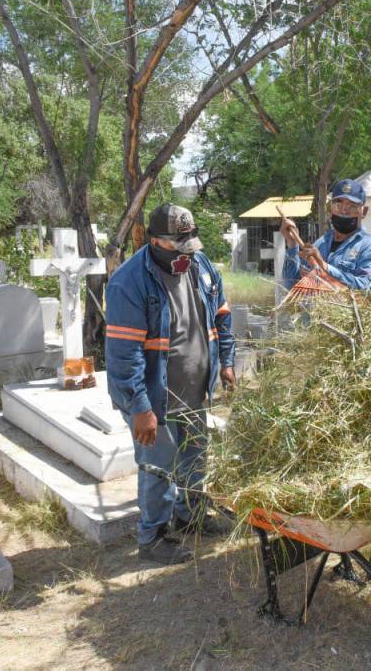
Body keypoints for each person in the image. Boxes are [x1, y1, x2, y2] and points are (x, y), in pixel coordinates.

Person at [106, 203, 236, 565]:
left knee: (196, 457)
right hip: (153, 397)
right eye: (178, 249)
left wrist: (226, 361)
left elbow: (221, 316)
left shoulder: (200, 266)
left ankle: (191, 515)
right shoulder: (129, 283)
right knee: (158, 467)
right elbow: (124, 354)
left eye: (190, 245)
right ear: (155, 243)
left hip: (195, 389)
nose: (186, 257)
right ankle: (154, 536)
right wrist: (139, 407)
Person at [280, 179, 371, 291]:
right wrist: (292, 244)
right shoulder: (321, 243)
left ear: (363, 212)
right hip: (316, 309)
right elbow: (291, 287)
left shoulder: (369, 247)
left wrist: (325, 267)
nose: (344, 212)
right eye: (338, 205)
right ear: (330, 209)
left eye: (352, 206)